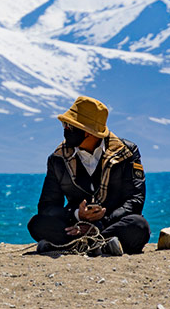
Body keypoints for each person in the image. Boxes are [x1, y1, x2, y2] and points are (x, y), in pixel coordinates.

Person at [27, 95, 150, 256]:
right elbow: (47, 206)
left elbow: (135, 200)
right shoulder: (57, 159)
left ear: (89, 132)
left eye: (70, 126)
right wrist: (77, 215)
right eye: (65, 125)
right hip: (74, 225)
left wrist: (100, 223)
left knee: (138, 225)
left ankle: (70, 244)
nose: (65, 130)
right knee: (37, 223)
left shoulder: (126, 153)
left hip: (111, 222)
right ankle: (101, 245)